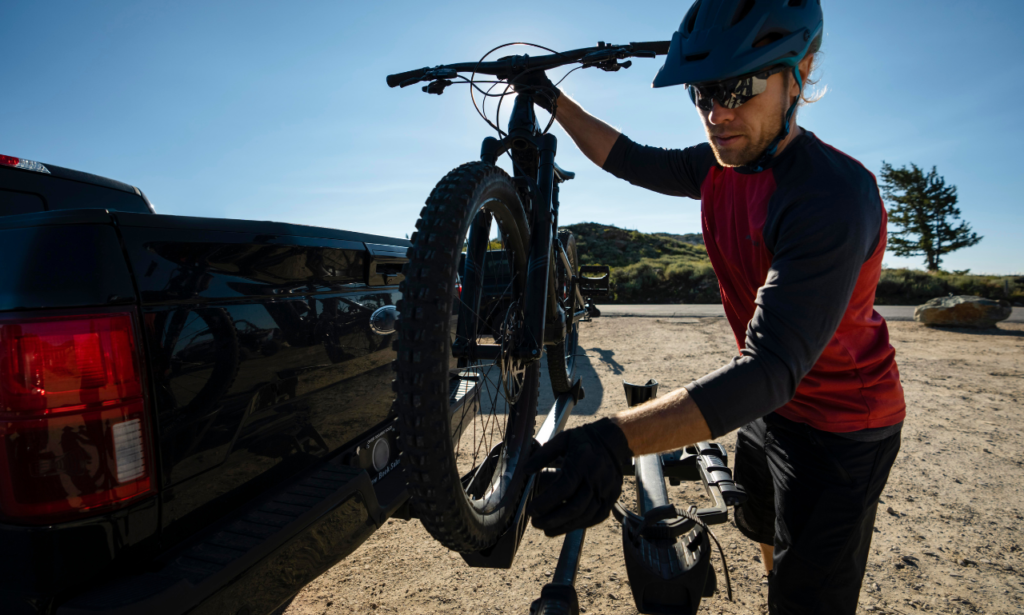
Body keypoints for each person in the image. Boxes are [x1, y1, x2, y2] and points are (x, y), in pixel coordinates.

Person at [520, 1, 905, 613]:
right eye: (701, 92)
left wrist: (614, 441)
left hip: (842, 426)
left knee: (808, 598)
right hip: (765, 408)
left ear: (800, 71)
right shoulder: (721, 163)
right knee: (761, 529)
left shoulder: (831, 194)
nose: (715, 113)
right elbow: (627, 158)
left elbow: (772, 365)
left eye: (737, 87)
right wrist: (553, 101)